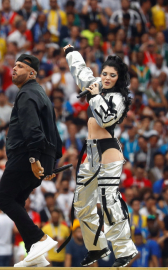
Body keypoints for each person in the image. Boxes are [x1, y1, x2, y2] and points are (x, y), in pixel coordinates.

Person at [60, 44, 138, 267]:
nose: (106, 77)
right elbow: (81, 71)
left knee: (108, 199)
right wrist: (71, 52)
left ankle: (125, 250)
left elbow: (106, 119)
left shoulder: (119, 98)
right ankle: (97, 246)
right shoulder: (96, 84)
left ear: (119, 78)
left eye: (112, 75)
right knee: (81, 204)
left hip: (108, 151)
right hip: (91, 152)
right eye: (104, 73)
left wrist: (94, 96)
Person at [0, 54, 62, 267]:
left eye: (20, 66)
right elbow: (54, 132)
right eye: (14, 65)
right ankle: (35, 254)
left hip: (26, 156)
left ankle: (40, 239)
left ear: (32, 72)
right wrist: (51, 163)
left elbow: (32, 129)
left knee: (3, 199)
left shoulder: (26, 94)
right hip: (42, 157)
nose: (14, 69)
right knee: (16, 202)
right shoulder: (41, 94)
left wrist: (34, 158)